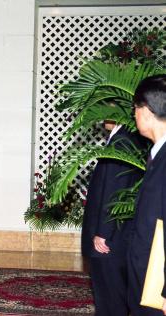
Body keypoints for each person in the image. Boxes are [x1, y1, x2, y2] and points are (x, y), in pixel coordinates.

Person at [81, 120, 146, 316]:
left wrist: (103, 232)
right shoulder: (126, 138)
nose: (99, 118)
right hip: (117, 235)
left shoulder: (122, 141)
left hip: (110, 240)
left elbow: (115, 190)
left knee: (110, 300)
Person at [127, 74, 166, 316]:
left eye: (136, 108)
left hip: (158, 293)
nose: (134, 115)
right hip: (147, 284)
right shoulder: (158, 155)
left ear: (148, 111)